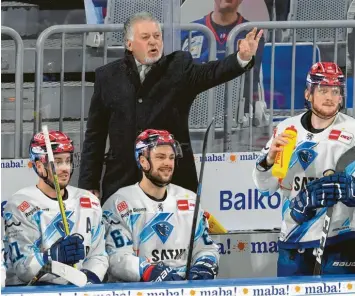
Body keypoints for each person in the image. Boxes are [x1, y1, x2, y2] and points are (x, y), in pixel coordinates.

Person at [78, 11, 263, 205]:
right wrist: (89, 183)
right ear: (129, 44)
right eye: (145, 37)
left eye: (157, 36)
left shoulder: (178, 67)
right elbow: (95, 136)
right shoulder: (107, 77)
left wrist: (241, 58)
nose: (153, 42)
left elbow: (212, 72)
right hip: (122, 179)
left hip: (174, 181)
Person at [253, 62, 355, 276]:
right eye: (323, 90)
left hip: (340, 242)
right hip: (293, 240)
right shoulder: (286, 129)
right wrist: (268, 160)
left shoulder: (352, 131)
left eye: (335, 91)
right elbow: (265, 187)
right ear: (308, 93)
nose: (330, 97)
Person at [102, 129, 219, 282]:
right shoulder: (119, 203)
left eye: (171, 157)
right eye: (160, 157)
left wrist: (204, 266)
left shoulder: (189, 200)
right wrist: (148, 270)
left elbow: (205, 247)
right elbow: (117, 257)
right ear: (143, 161)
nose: (168, 163)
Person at [3, 131, 108, 285]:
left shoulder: (88, 201)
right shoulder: (20, 205)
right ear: (39, 166)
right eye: (57, 162)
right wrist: (52, 256)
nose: (65, 168)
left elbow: (98, 255)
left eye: (68, 161)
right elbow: (22, 267)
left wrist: (87, 281)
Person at [181, 0, 265, 125]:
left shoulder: (252, 35)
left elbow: (250, 78)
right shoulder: (189, 32)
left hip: (238, 118)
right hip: (195, 116)